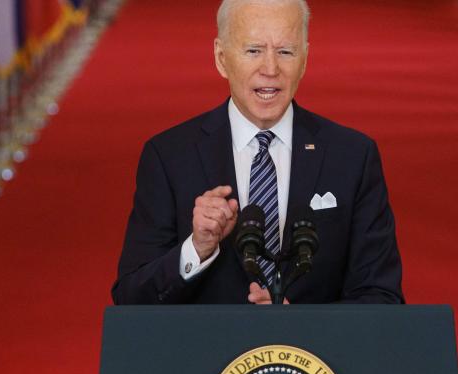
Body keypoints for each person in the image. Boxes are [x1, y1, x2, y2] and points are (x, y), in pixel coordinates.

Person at [112, 0, 403, 305]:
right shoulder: (169, 157)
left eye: (285, 52)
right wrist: (196, 249)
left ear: (304, 59)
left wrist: (305, 324)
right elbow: (131, 298)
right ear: (221, 58)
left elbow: (382, 297)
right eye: (253, 51)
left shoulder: (352, 157)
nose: (270, 69)